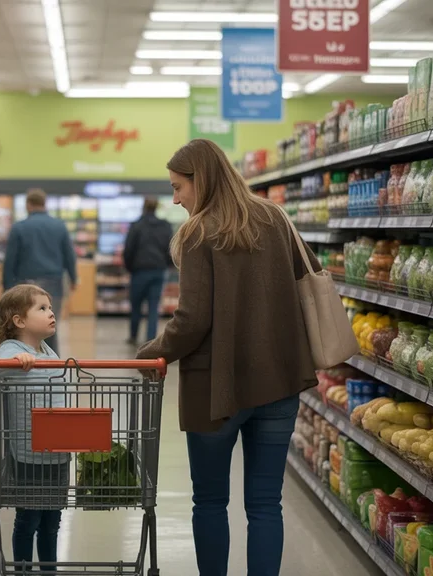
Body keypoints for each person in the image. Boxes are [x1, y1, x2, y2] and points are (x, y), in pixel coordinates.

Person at [136, 139, 322, 576]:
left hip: (216, 390)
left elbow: (192, 320)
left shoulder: (199, 231)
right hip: (279, 380)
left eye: (178, 187)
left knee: (211, 501)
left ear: (201, 180)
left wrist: (151, 353)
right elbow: (308, 275)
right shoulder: (274, 216)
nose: (175, 198)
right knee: (265, 504)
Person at [0, 284, 69, 573]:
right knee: (28, 520)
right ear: (19, 321)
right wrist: (17, 362)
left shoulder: (47, 350)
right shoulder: (14, 350)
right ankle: (22, 571)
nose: (51, 313)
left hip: (58, 453)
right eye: (42, 308)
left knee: (52, 522)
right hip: (28, 456)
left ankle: (49, 570)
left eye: (50, 307)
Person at [3, 188, 77, 354]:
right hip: (53, 283)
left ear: (28, 205)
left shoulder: (19, 228)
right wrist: (73, 279)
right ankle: (52, 368)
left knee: (23, 330)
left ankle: (26, 365)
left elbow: (10, 261)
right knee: (49, 327)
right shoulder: (59, 226)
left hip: (25, 285)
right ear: (44, 204)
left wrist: (7, 288)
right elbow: (69, 256)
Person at [123, 196, 173, 345]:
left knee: (136, 305)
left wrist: (129, 267)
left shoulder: (137, 225)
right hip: (158, 270)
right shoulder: (165, 226)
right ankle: (151, 339)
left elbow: (129, 249)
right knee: (153, 306)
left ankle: (133, 336)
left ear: (143, 207)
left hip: (139, 271)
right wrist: (167, 264)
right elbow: (170, 248)